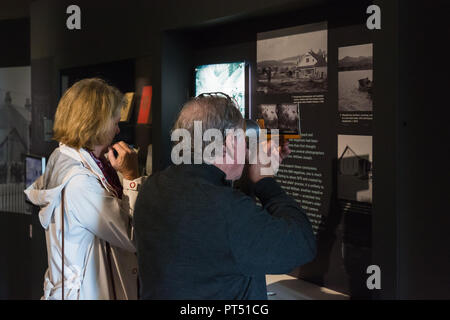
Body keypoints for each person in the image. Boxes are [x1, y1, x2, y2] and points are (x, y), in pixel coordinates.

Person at [134, 93, 317, 299]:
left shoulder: (151, 188)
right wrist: (265, 182)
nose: (247, 149)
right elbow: (302, 245)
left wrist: (248, 173)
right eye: (243, 139)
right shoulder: (225, 211)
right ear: (230, 141)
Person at [25, 78, 145, 300]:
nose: (118, 130)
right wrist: (131, 177)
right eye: (114, 122)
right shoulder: (81, 182)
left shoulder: (63, 157)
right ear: (96, 123)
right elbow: (132, 235)